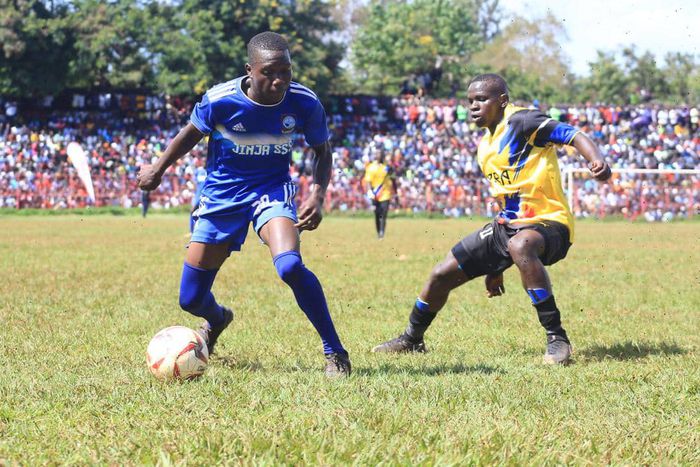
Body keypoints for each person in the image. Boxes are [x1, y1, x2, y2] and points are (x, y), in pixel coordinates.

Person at [137, 31, 351, 377]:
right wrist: (157, 170)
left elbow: (322, 152)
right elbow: (189, 135)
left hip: (272, 190)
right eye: (269, 72)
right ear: (249, 70)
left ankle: (335, 352)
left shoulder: (305, 101)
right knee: (190, 299)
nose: (279, 80)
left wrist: (317, 194)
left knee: (290, 267)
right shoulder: (220, 100)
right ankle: (218, 318)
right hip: (222, 195)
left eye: (286, 71)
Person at [372, 73, 612, 365]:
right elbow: (506, 201)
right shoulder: (485, 147)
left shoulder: (522, 121)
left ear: (503, 101)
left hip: (550, 222)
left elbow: (573, 135)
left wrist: (596, 160)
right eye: (470, 101)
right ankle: (412, 339)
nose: (473, 106)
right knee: (441, 274)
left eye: (481, 99)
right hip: (507, 227)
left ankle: (557, 338)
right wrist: (496, 263)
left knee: (521, 245)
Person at [362, 149, 398, 239]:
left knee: (383, 213)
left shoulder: (387, 167)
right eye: (376, 153)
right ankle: (379, 232)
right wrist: (369, 191)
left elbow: (393, 179)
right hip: (375, 194)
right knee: (377, 214)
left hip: (386, 193)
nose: (377, 155)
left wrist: (395, 192)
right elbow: (368, 181)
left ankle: (382, 233)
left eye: (379, 153)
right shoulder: (371, 167)